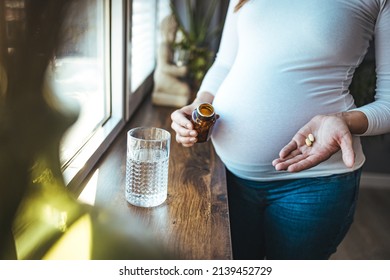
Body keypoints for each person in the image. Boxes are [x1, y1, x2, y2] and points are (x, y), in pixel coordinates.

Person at [170, 0, 390, 260]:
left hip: (313, 186)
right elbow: (225, 63)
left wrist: (343, 119)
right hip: (226, 176)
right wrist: (199, 104)